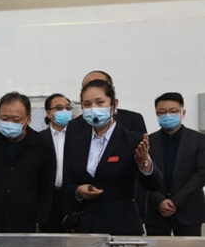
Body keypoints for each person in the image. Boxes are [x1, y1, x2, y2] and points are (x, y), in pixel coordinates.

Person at [61, 80, 162, 236]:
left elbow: (154, 183)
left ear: (114, 105)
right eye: (87, 104)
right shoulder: (76, 143)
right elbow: (67, 184)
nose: (93, 108)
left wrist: (144, 163)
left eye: (100, 102)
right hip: (85, 227)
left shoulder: (132, 140)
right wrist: (78, 191)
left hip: (121, 225)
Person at [0, 92, 55, 233]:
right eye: (4, 118)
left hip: (24, 222)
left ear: (28, 119)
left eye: (16, 119)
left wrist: (40, 219)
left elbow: (46, 185)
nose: (9, 123)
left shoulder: (42, 145)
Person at [146, 92, 205, 236]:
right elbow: (142, 175)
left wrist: (176, 201)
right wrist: (159, 201)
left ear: (182, 113)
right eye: (162, 112)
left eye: (173, 111)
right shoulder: (148, 141)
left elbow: (201, 174)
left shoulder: (199, 140)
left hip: (189, 210)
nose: (167, 115)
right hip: (156, 211)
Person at [39, 93, 74, 233]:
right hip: (49, 200)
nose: (64, 111)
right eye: (59, 108)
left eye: (67, 108)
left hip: (72, 198)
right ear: (49, 113)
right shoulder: (39, 139)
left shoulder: (78, 137)